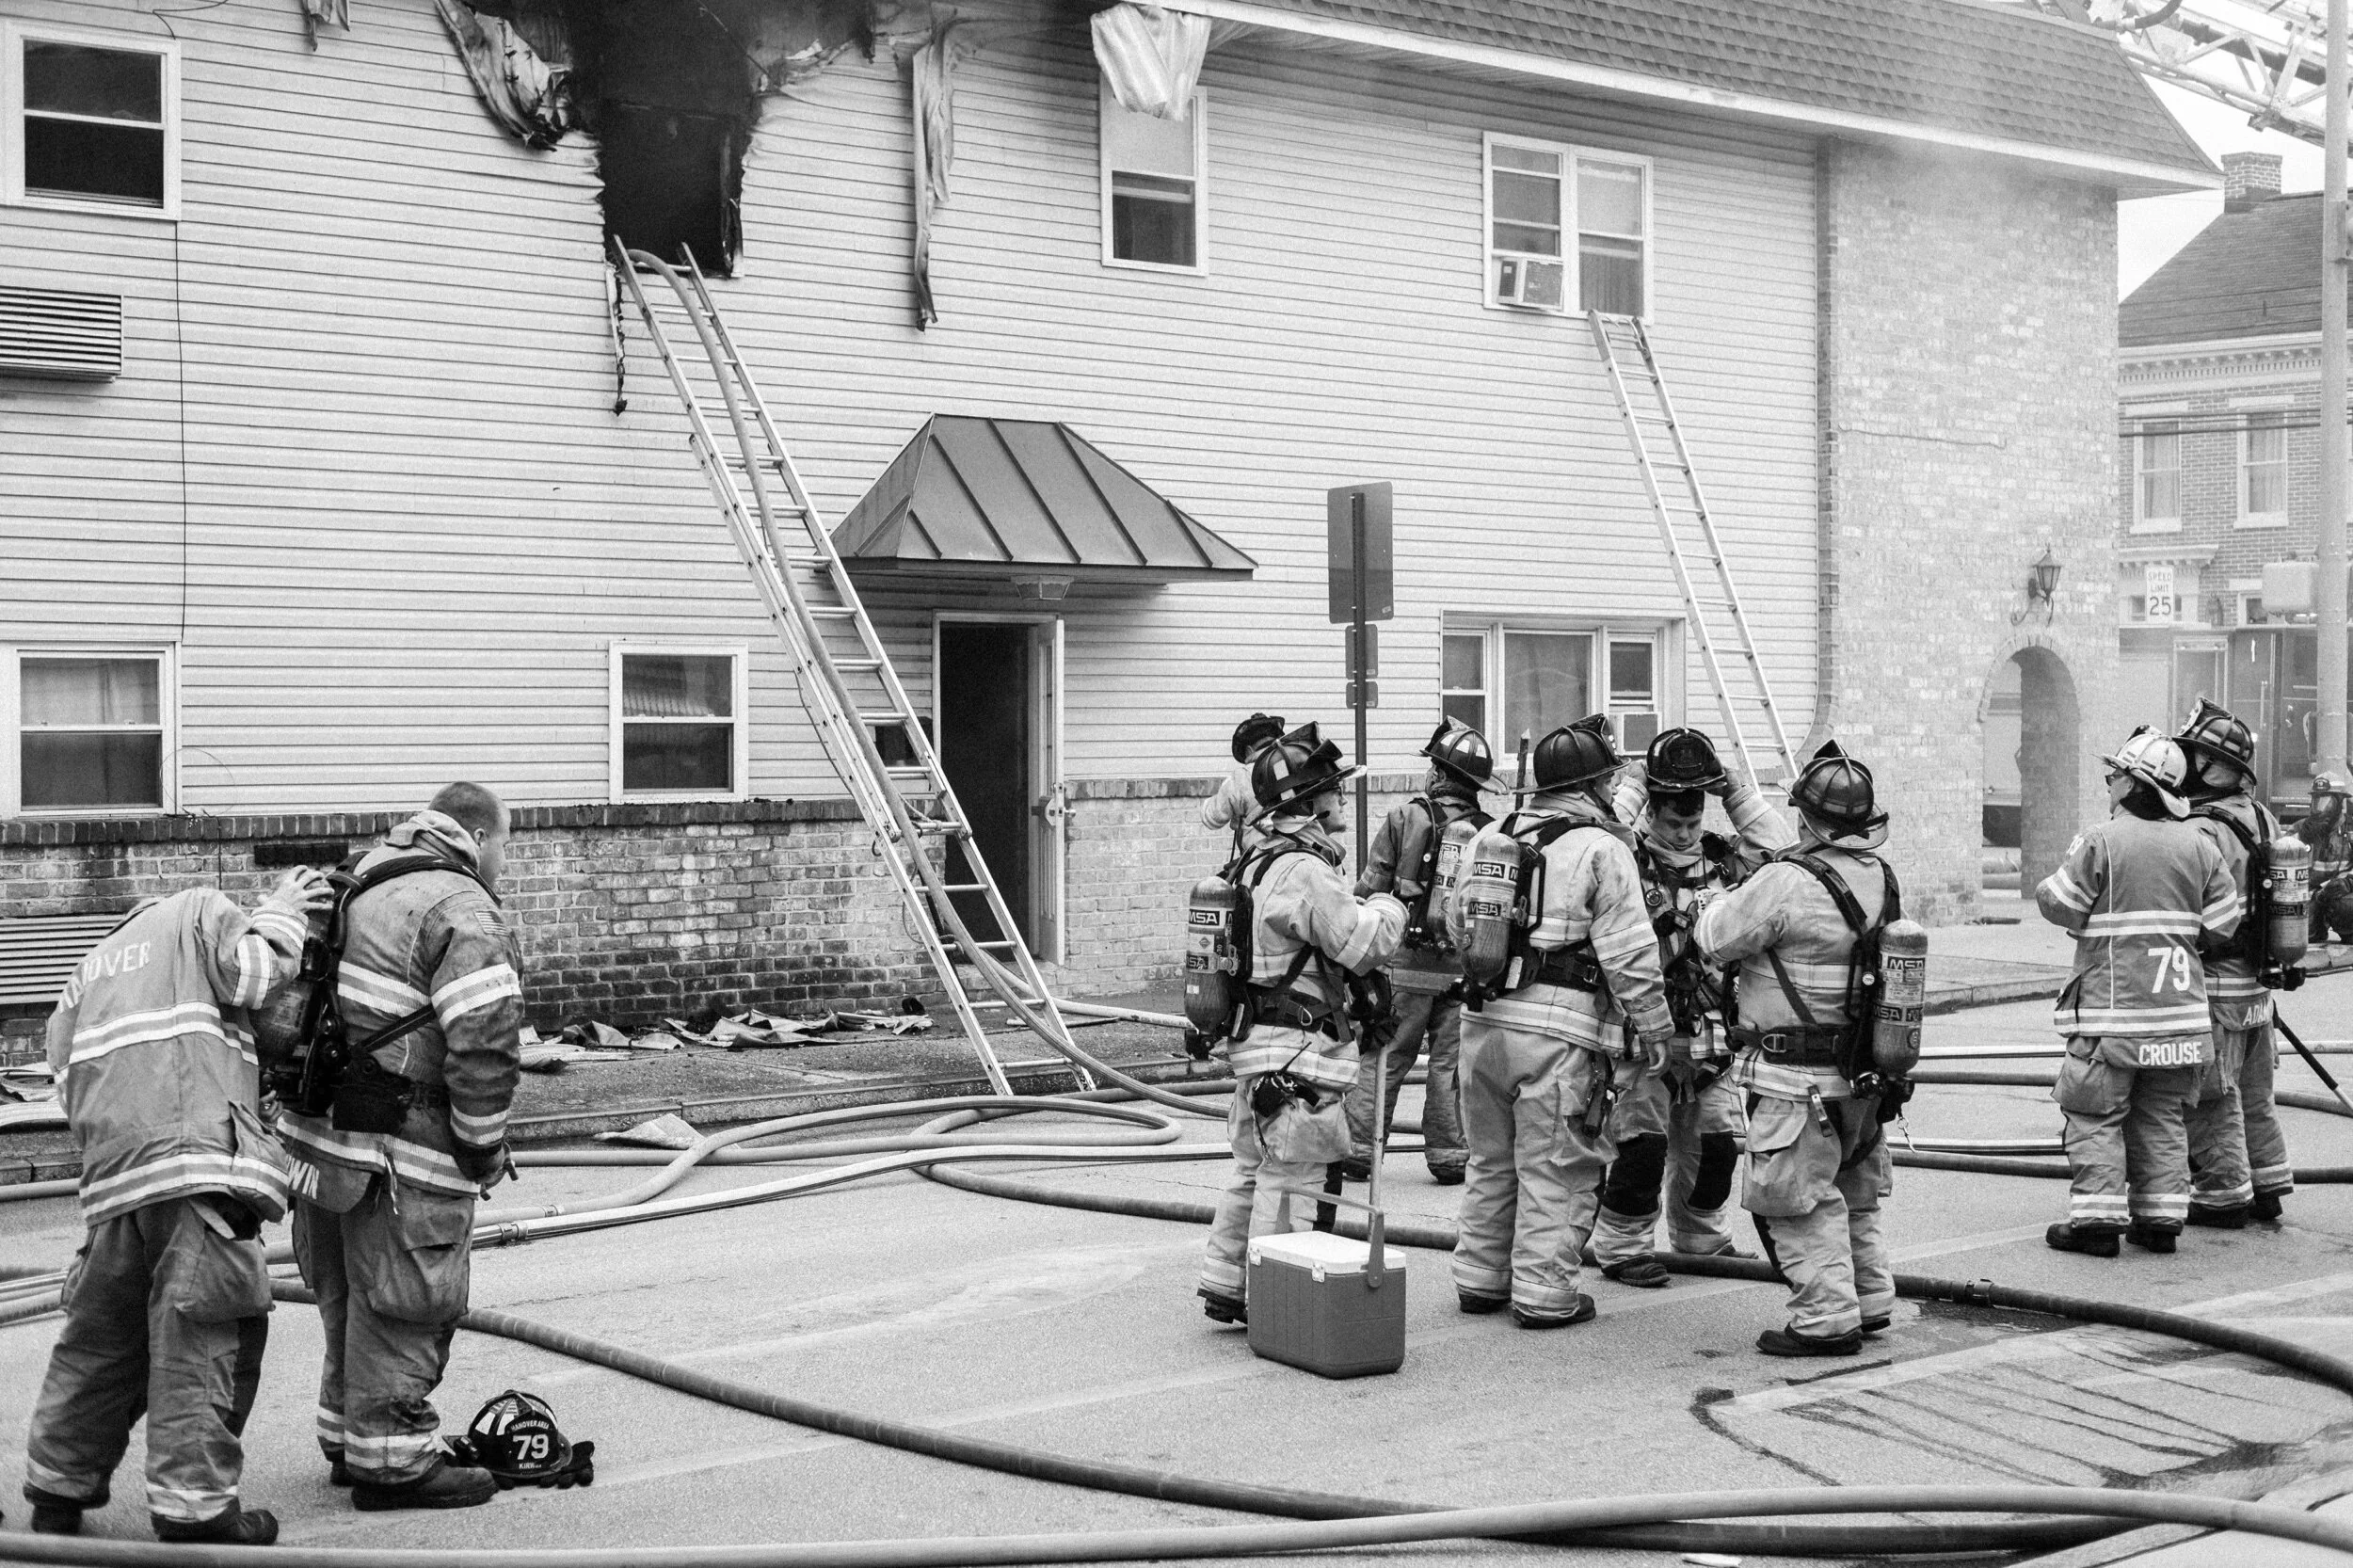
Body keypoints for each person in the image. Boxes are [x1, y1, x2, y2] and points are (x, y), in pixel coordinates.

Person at [22, 869, 334, 1544]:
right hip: (191, 1169)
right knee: (204, 1334)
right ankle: (195, 1511)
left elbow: (60, 1070)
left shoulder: (90, 967)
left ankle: (56, 1490)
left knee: (102, 1344)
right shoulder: (198, 910)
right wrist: (280, 914)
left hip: (112, 1186)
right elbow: (253, 975)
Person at [279, 784, 524, 1511]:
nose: (504, 863)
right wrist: (482, 1151)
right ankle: (393, 1462)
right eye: (505, 848)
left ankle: (348, 1442)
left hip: (323, 1143)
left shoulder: (359, 875)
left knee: (347, 1299)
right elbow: (485, 1048)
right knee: (409, 1302)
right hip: (403, 1150)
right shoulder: (461, 908)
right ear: (478, 838)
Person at [1447, 715, 1673, 1330]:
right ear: (1596, 784)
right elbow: (1631, 955)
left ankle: (1479, 1279)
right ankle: (1545, 1294)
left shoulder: (1487, 837)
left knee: (1491, 1159)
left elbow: (1454, 926)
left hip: (1482, 1025)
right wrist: (1654, 1032)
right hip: (1559, 1038)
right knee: (1556, 1166)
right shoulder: (1603, 849)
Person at [1692, 741, 1898, 1357]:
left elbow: (1719, 937)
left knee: (1797, 1200)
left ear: (1807, 819)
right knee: (1851, 1192)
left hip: (1794, 1080)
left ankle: (1827, 1319)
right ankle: (1870, 1297)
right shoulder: (1880, 876)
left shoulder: (1787, 881)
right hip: (1863, 1076)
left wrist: (1715, 899)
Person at [1196, 725, 1406, 1324]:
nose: (1339, 801)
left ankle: (1227, 1282)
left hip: (1255, 1046)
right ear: (1311, 802)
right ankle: (1276, 1301)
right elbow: (1362, 945)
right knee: (1294, 1177)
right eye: (1333, 792)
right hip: (1298, 1052)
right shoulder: (1304, 871)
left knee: (1252, 1170)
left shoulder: (1252, 863)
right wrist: (1387, 904)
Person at [1591, 728, 1792, 1287]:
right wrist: (1631, 785)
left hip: (1712, 1034)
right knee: (1641, 1147)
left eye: (1692, 822)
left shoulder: (1727, 861)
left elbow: (1783, 854)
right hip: (1643, 1030)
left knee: (1718, 1147)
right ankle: (1624, 1248)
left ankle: (1701, 1240)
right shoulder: (1622, 859)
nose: (1683, 833)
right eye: (1672, 822)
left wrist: (1733, 790)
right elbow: (1597, 831)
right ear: (1651, 815)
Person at [2038, 728, 2239, 1256]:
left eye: (2113, 776)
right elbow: (2222, 927)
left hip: (2112, 1019)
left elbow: (2058, 904)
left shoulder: (2101, 840)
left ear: (2131, 784)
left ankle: (2098, 1226)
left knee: (2095, 1115)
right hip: (2179, 1024)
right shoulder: (2201, 845)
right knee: (2161, 1116)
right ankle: (2161, 1222)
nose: (2109, 785)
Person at [1338, 718, 1494, 1186]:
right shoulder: (1490, 831)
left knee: (1384, 1055)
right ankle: (1449, 1157)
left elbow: (1370, 889)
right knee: (1450, 1064)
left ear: (1438, 774)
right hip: (1461, 971)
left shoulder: (1404, 817)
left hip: (1403, 966)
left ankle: (1360, 1150)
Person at [2175, 700, 2295, 1226]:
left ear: (2215, 766)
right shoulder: (2261, 815)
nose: (2188, 766)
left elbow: (2199, 910)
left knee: (2212, 1097)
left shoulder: (2203, 828)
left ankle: (2223, 1197)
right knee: (2255, 1095)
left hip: (2217, 985)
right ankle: (2268, 1186)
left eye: (2197, 757)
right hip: (2256, 987)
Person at [1202, 712, 1287, 854]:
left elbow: (1212, 818)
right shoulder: (1292, 766)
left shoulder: (1242, 776)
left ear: (1249, 750)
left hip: (1260, 855)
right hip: (1303, 845)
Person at [2305, 772, 2353, 946]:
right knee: (2301, 935)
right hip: (2311, 897)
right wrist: (2300, 837)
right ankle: (2316, 929)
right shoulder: (2301, 830)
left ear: (2340, 803)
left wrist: (2348, 882)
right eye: (2316, 802)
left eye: (2326, 803)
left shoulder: (2351, 831)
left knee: (2348, 906)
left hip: (2339, 895)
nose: (2320, 809)